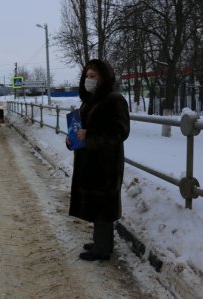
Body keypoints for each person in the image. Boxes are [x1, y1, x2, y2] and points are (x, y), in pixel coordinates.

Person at [66, 59, 130, 261]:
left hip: (106, 163)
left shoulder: (114, 99)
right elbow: (80, 131)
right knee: (96, 204)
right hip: (89, 162)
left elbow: (120, 131)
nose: (88, 79)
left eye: (93, 76)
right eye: (86, 76)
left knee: (104, 206)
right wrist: (72, 139)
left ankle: (102, 250)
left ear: (103, 78)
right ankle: (101, 242)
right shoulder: (89, 101)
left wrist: (90, 136)